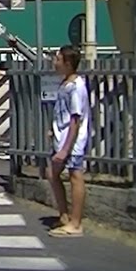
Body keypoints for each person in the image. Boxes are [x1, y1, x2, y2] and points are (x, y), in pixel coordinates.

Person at [48, 43, 88, 238]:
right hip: (61, 137)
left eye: (58, 59)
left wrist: (65, 148)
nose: (54, 62)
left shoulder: (75, 87)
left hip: (72, 141)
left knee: (75, 176)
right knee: (52, 174)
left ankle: (76, 222)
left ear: (68, 62)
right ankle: (64, 216)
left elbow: (75, 119)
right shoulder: (65, 83)